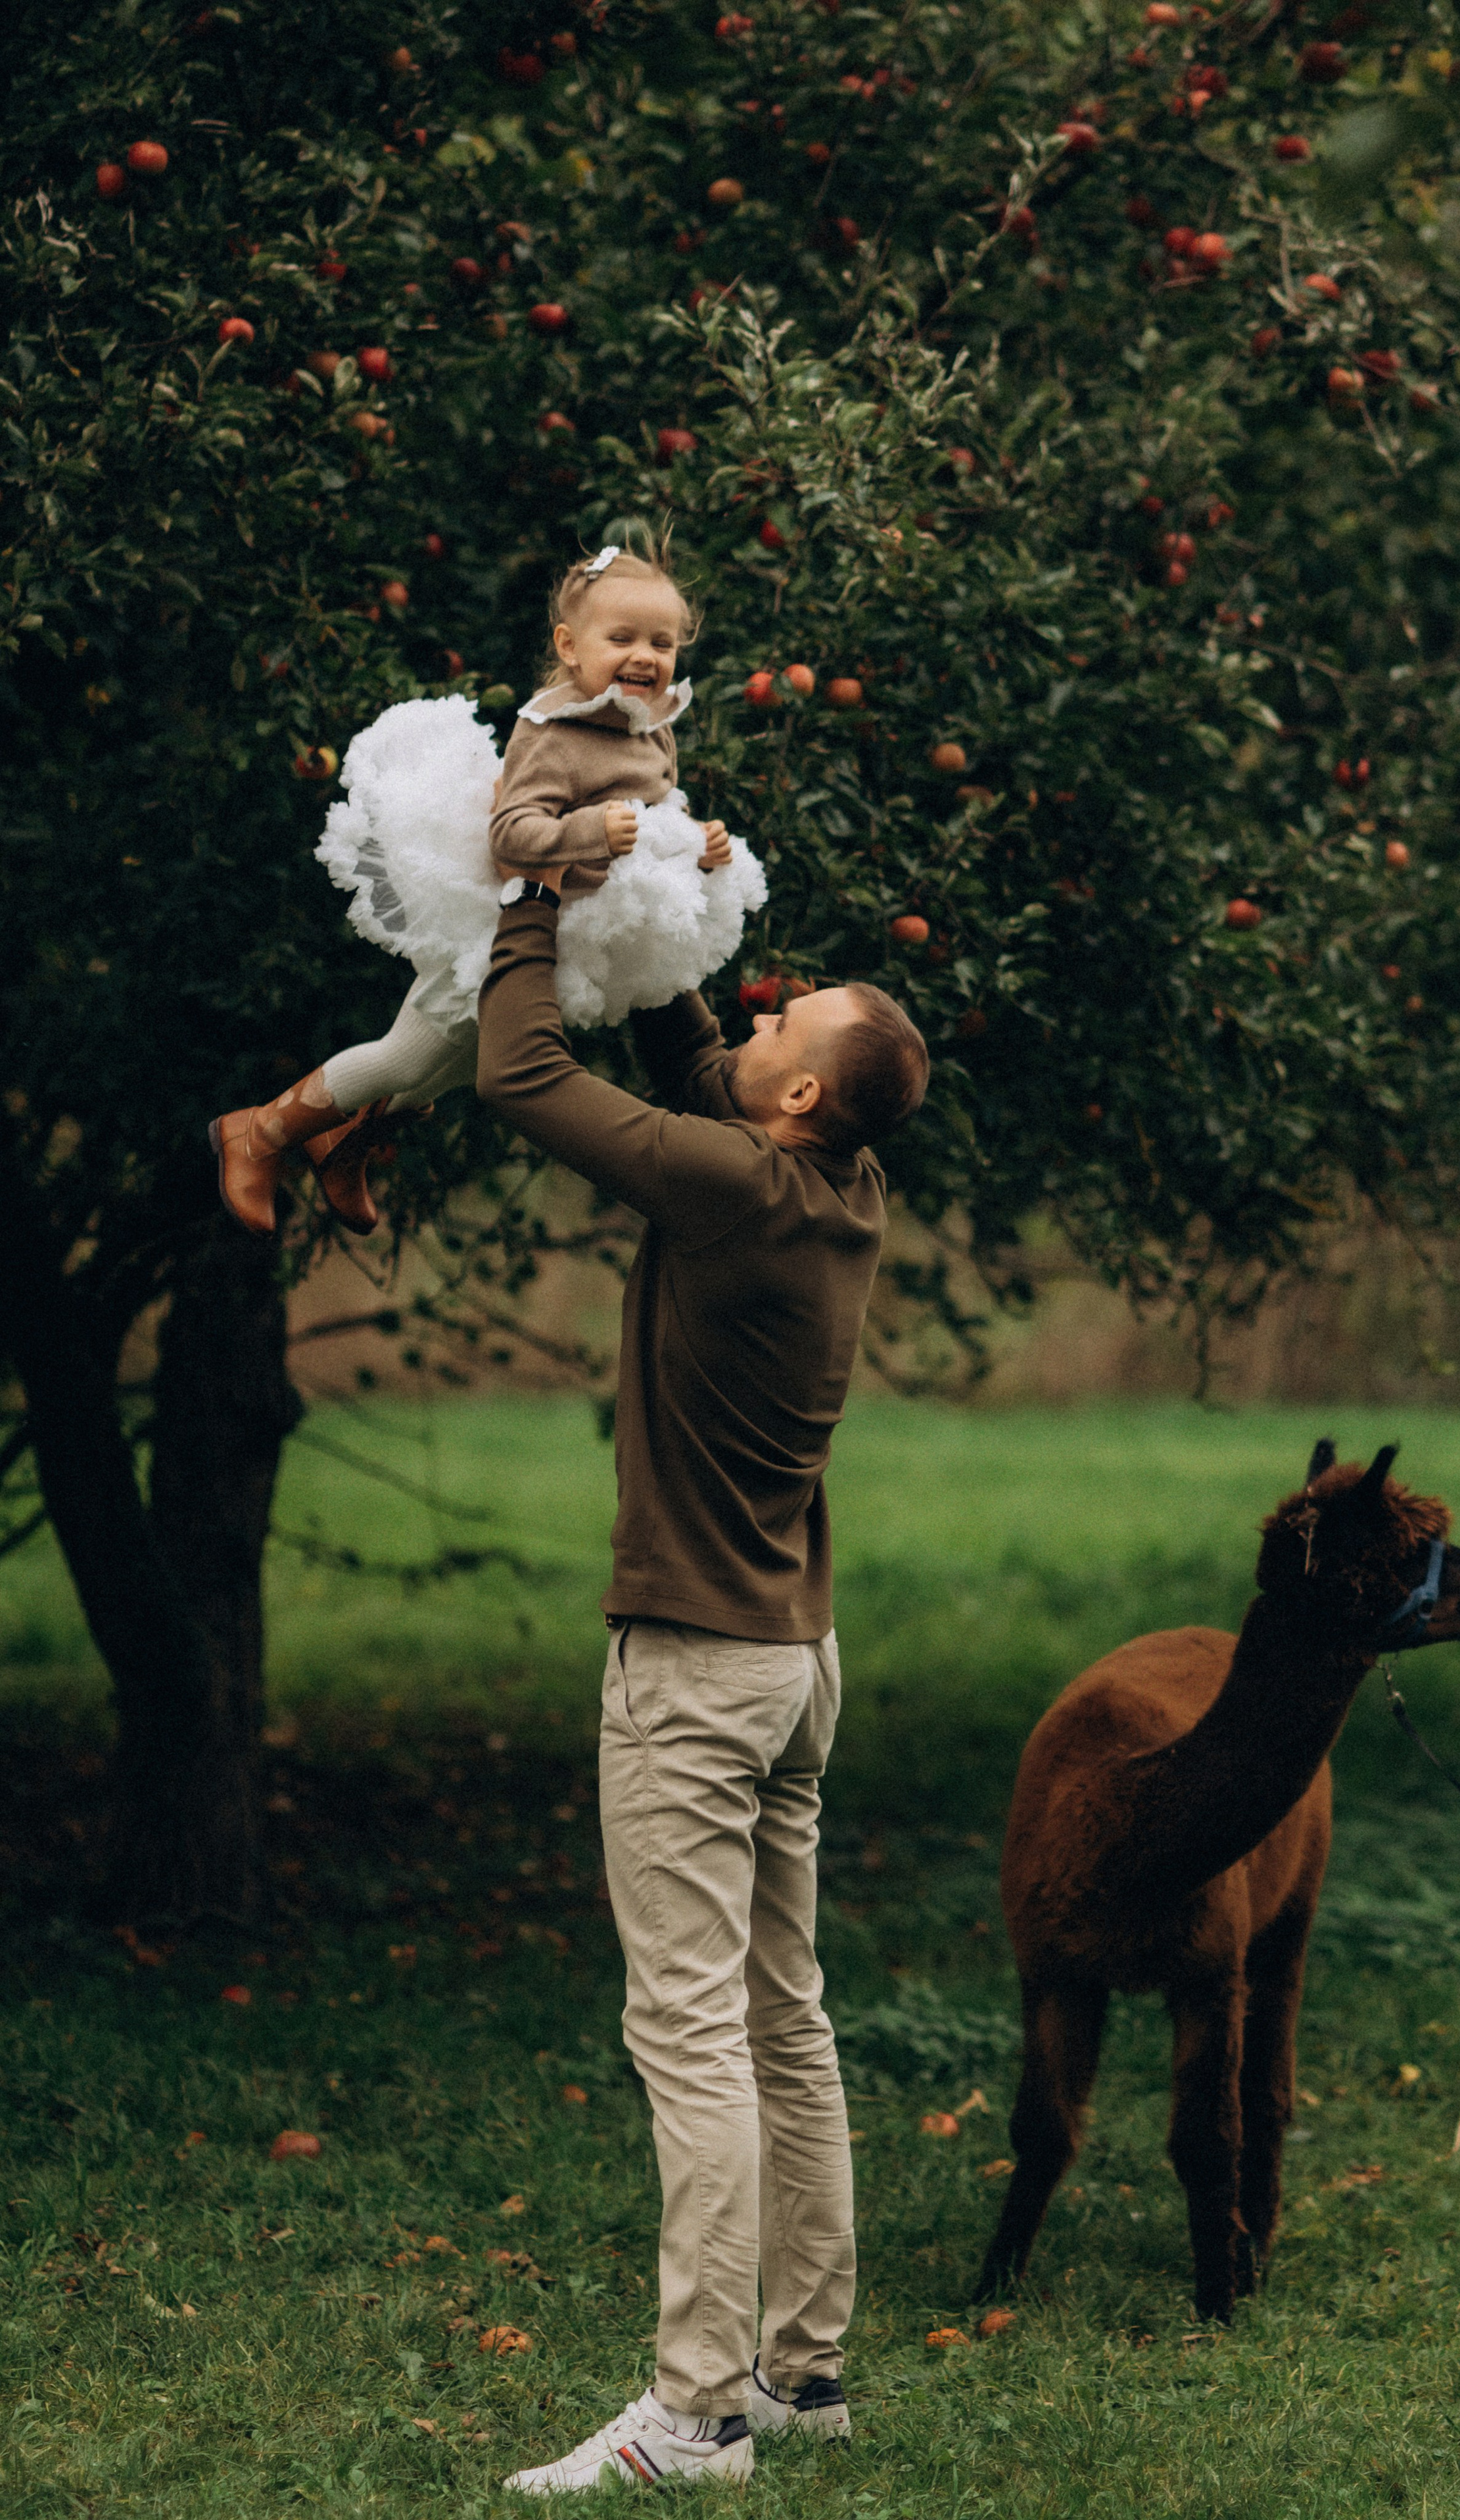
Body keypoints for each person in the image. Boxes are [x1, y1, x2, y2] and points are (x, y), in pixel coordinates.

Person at [476, 887, 929, 2496]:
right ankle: (804, 2371)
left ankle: (694, 2410)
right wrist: (653, 885)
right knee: (779, 2019)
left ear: (797, 1097)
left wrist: (528, 892)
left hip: (694, 1668)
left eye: (775, 1026)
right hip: (793, 1661)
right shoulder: (835, 1175)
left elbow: (519, 1070)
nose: (747, 1017)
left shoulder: (734, 1187)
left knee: (689, 2034)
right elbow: (694, 1059)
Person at [208, 533, 764, 1238]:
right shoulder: (552, 731)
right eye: (621, 637)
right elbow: (511, 835)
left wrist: (699, 845)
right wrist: (590, 832)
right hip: (506, 928)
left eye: (662, 643)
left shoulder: (651, 728)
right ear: (570, 645)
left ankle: (340, 1145)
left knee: (458, 1069)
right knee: (405, 1053)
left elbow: (654, 813)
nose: (645, 657)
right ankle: (257, 1133)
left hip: (563, 942)